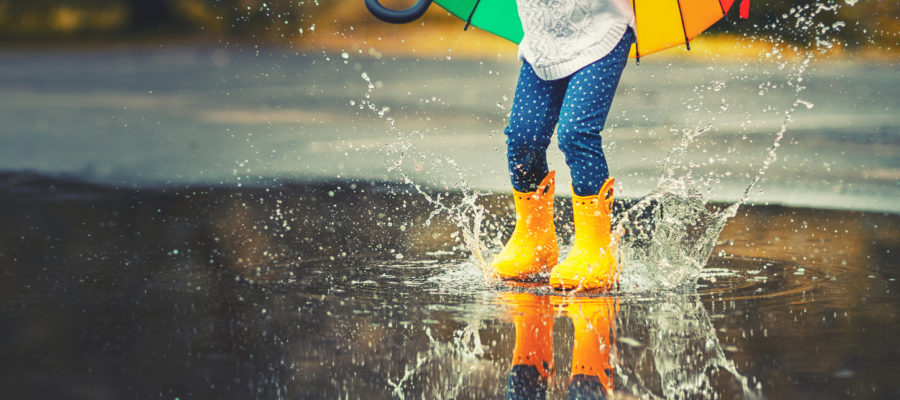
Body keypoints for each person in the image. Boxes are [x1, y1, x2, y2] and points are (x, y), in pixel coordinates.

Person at [489, 0, 635, 291]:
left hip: (601, 30)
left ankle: (596, 248)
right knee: (523, 139)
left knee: (576, 134)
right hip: (543, 41)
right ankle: (535, 242)